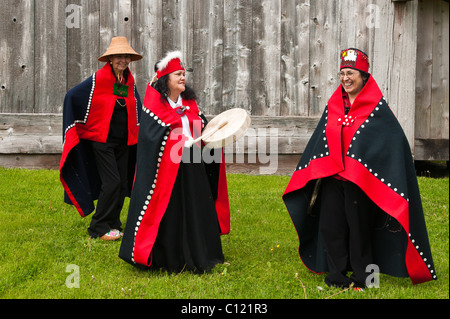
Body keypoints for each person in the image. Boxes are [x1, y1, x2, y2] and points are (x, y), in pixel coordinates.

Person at [283, 48, 437, 288]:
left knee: (359, 231)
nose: (345, 78)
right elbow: (322, 139)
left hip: (361, 184)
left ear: (364, 76)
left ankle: (365, 278)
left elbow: (393, 141)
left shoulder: (377, 109)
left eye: (351, 73)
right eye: (342, 73)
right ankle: (336, 275)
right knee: (331, 228)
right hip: (333, 179)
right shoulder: (335, 105)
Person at [119, 51, 230, 273]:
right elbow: (151, 140)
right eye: (177, 74)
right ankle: (170, 258)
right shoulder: (154, 109)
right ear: (165, 80)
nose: (182, 77)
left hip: (193, 166)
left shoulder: (190, 103)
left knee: (197, 211)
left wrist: (210, 136)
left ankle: (203, 255)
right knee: (171, 214)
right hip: (167, 173)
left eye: (183, 74)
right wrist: (176, 141)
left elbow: (201, 130)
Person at [60, 36, 142, 241]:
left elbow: (137, 108)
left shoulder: (129, 82)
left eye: (126, 56)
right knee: (112, 182)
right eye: (119, 56)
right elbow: (72, 95)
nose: (123, 60)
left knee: (122, 183)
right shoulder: (98, 79)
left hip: (124, 141)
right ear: (111, 59)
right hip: (103, 141)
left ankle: (114, 223)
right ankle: (98, 228)